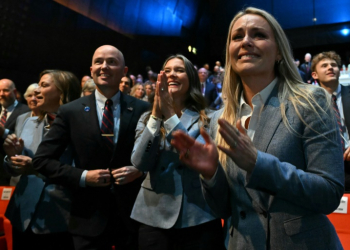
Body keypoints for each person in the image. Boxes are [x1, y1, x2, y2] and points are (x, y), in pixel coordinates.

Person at [171, 7, 344, 249]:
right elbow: (222, 209)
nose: (246, 42)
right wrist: (211, 175)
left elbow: (329, 193)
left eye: (258, 35)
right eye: (237, 36)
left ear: (279, 52)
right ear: (230, 53)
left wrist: (257, 163)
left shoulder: (311, 101)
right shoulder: (220, 119)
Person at [32, 45, 150, 250]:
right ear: (91, 69)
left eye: (111, 62)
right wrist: (84, 177)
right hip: (86, 218)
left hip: (133, 218)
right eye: (99, 62)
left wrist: (140, 171)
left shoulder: (143, 109)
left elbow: (157, 156)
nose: (104, 66)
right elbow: (42, 160)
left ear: (124, 71)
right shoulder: (70, 111)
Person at [130, 54, 225, 249]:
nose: (172, 75)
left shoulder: (209, 118)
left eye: (179, 70)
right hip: (153, 216)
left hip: (199, 215)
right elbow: (140, 162)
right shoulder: (147, 118)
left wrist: (170, 115)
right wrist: (157, 114)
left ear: (191, 78)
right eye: (167, 71)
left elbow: (193, 154)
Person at [3, 70, 81, 250]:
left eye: (44, 85)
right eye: (38, 84)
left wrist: (37, 168)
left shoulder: (79, 125)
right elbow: (15, 169)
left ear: (62, 92)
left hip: (59, 215)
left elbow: (80, 171)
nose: (36, 90)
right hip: (22, 214)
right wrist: (11, 156)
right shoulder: (26, 121)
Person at [311, 51, 350, 192]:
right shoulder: (308, 103)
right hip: (325, 169)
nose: (330, 68)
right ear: (314, 75)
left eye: (334, 65)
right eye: (324, 65)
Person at [8, 83, 40, 186]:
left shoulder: (52, 118)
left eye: (37, 96)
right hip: (18, 176)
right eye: (29, 96)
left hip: (38, 174)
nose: (33, 99)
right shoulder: (21, 118)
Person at [0, 78, 30, 185]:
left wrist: (4, 132)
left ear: (15, 92)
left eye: (5, 90)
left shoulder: (26, 111)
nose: (1, 94)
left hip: (11, 169)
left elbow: (25, 138)